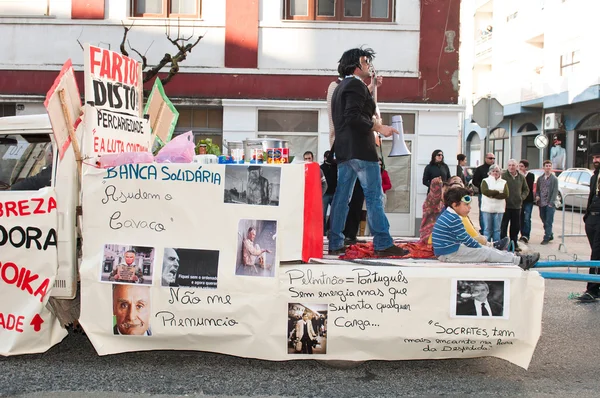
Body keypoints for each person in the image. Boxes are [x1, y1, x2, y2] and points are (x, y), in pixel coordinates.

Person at [328, 47, 407, 257]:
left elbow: (352, 112)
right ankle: (383, 243)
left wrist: (370, 88)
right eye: (366, 61)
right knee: (374, 197)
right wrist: (379, 128)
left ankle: (335, 242)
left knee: (341, 197)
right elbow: (353, 116)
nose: (369, 65)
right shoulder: (355, 86)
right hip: (361, 149)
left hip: (345, 151)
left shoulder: (341, 87)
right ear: (356, 65)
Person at [431, 186, 539, 269]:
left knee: (486, 250)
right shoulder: (453, 218)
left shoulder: (449, 214)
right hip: (448, 254)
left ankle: (509, 256)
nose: (469, 208)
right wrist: (483, 247)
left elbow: (465, 239)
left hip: (448, 251)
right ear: (455, 205)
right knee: (485, 253)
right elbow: (467, 240)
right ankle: (519, 261)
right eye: (466, 205)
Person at [580, 143, 600, 302]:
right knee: (596, 253)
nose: (595, 160)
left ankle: (592, 289)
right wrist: (587, 217)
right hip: (592, 218)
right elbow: (591, 196)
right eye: (594, 157)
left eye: (598, 157)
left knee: (596, 255)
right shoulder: (594, 176)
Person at [501, 159, 529, 251]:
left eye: (513, 165)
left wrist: (521, 197)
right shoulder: (503, 176)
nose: (511, 167)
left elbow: (526, 189)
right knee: (503, 226)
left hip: (517, 206)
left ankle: (514, 244)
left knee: (515, 226)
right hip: (505, 206)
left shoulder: (521, 177)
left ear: (517, 166)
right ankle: (503, 244)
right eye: (509, 165)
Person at [480, 164, 508, 243]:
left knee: (497, 229)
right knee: (487, 229)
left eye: (497, 171)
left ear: (500, 172)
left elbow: (505, 194)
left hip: (499, 209)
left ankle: (497, 246)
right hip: (487, 208)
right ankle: (486, 245)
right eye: (493, 171)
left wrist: (492, 195)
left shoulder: (504, 182)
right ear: (490, 172)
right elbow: (485, 191)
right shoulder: (485, 181)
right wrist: (498, 192)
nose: (495, 173)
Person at [535, 160, 559, 245]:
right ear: (543, 168)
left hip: (549, 203)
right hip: (541, 203)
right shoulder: (540, 179)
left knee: (549, 221)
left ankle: (546, 237)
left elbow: (555, 191)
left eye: (549, 166)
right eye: (546, 166)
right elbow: (537, 190)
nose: (548, 168)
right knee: (543, 219)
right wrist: (537, 196)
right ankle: (550, 234)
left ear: (551, 168)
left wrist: (551, 203)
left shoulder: (554, 179)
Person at [471, 152, 496, 234]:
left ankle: (492, 230)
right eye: (490, 158)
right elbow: (475, 181)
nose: (492, 160)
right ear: (486, 159)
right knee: (483, 212)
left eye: (493, 158)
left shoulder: (496, 169)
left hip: (494, 195)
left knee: (494, 212)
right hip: (483, 194)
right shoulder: (480, 169)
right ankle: (483, 230)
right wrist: (482, 186)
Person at [321, 150, 337, 235]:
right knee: (322, 214)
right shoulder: (321, 168)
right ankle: (322, 232)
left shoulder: (336, 167)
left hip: (334, 193)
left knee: (335, 213)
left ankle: (330, 230)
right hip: (324, 194)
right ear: (325, 158)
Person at [518, 159, 535, 243]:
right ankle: (522, 234)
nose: (520, 168)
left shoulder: (530, 175)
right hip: (519, 200)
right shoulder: (517, 175)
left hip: (528, 200)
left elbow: (528, 187)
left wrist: (522, 176)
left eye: (522, 166)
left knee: (527, 218)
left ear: (526, 167)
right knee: (520, 218)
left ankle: (526, 235)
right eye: (519, 166)